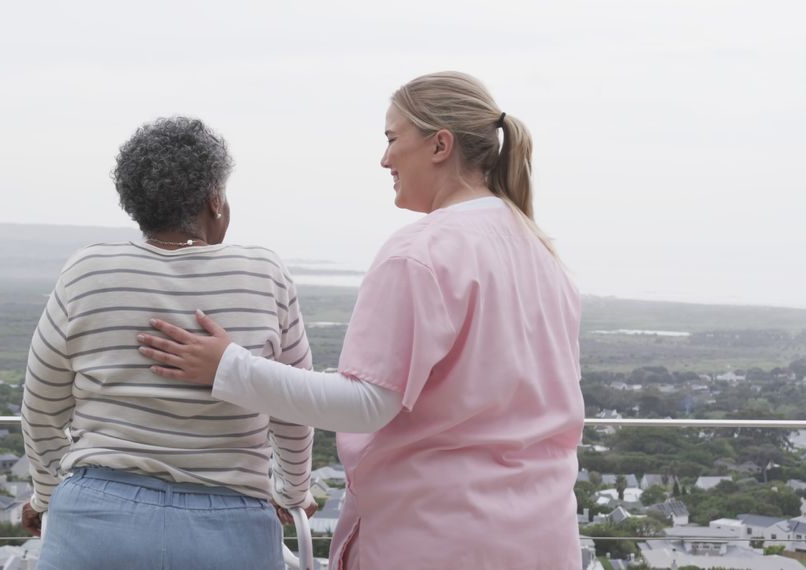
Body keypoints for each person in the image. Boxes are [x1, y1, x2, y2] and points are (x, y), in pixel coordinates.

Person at [137, 72, 584, 569]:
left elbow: (367, 403)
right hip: (545, 537)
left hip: (438, 537)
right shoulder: (540, 250)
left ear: (440, 144)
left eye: (393, 139)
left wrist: (228, 367)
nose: (385, 159)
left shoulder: (423, 250)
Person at [19, 117, 316, 570]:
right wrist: (292, 493)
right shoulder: (264, 272)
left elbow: (42, 408)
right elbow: (292, 404)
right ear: (215, 200)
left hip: (96, 518)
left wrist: (46, 497)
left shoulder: (87, 270)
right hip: (231, 524)